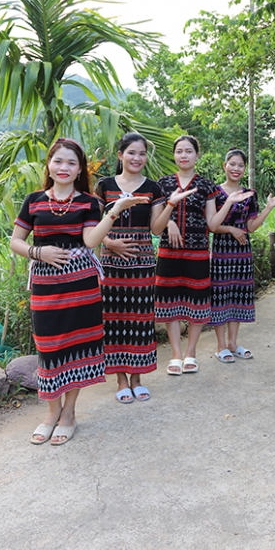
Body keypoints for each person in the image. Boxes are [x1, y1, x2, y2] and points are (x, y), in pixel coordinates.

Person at [11, 137, 147, 445]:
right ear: (49, 164)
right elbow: (16, 240)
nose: (64, 167)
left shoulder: (88, 202)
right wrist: (38, 252)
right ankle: (50, 412)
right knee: (49, 348)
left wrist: (114, 210)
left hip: (82, 287)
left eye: (71, 162)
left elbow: (90, 241)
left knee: (77, 348)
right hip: (45, 286)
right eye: (58, 161)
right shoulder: (33, 200)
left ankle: (69, 413)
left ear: (80, 169)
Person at [93, 133, 196, 404]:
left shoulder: (153, 188)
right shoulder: (104, 185)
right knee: (114, 321)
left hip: (143, 265)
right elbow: (93, 227)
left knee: (140, 321)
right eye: (131, 153)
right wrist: (110, 242)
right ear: (120, 155)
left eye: (141, 154)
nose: (137, 158)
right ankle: (120, 380)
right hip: (112, 264)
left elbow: (156, 228)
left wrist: (171, 203)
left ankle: (137, 378)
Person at [207, 149, 275, 362]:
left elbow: (251, 227)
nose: (236, 168)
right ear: (225, 166)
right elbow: (212, 224)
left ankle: (233, 342)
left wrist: (268, 208)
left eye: (240, 165)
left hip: (242, 252)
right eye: (232, 164)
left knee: (237, 294)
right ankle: (221, 345)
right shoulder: (214, 192)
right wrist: (230, 228)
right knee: (221, 295)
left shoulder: (250, 194)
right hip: (222, 251)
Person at [155, 135, 220, 376]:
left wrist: (229, 204)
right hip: (168, 253)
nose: (184, 155)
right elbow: (156, 221)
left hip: (197, 253)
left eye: (189, 151)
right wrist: (170, 222)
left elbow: (212, 223)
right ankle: (175, 354)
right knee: (169, 301)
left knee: (197, 301)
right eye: (179, 151)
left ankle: (191, 352)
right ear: (174, 155)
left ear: (197, 155)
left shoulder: (206, 185)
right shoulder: (162, 184)